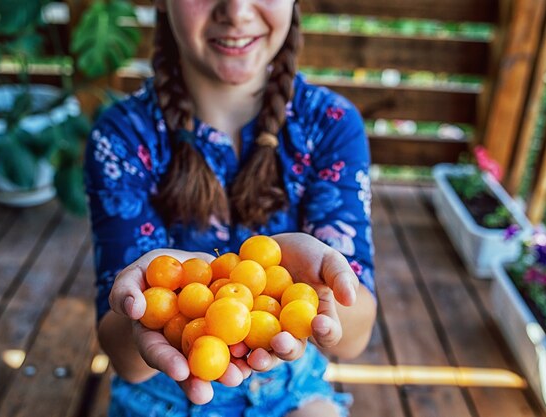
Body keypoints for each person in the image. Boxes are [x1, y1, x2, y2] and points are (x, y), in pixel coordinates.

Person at [83, 0, 377, 416]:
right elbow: (127, 361)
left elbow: (354, 337)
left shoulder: (330, 123)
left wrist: (322, 290)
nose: (237, 10)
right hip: (160, 397)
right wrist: (147, 307)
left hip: (291, 387)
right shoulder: (122, 137)